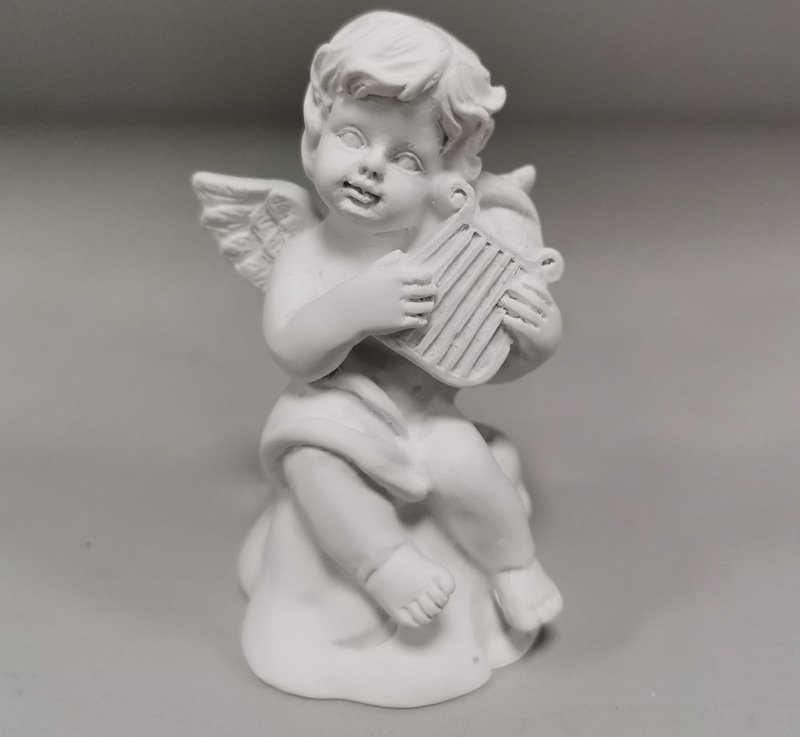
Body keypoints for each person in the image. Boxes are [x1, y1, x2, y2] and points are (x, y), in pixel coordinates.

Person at [255, 11, 563, 633]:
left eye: (408, 160)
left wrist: (537, 336)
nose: (371, 167)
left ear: (443, 181)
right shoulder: (307, 253)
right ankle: (384, 565)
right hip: (329, 409)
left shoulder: (449, 250)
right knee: (313, 464)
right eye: (352, 136)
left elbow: (478, 360)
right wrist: (353, 309)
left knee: (467, 467)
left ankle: (514, 565)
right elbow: (290, 349)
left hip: (424, 412)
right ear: (314, 135)